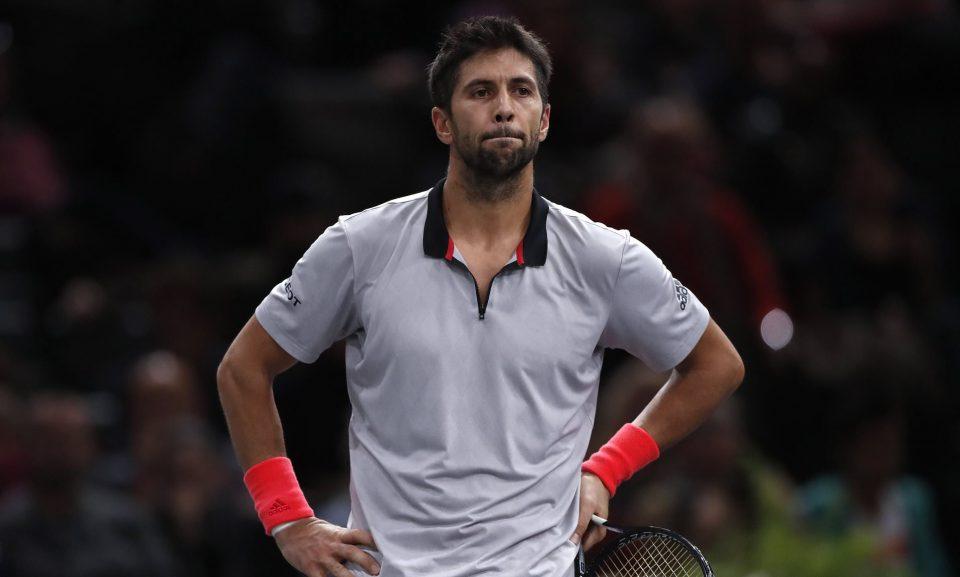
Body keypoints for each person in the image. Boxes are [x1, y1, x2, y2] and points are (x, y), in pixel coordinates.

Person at [216, 16, 744, 577]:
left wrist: (606, 469)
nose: (504, 108)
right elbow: (243, 369)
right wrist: (287, 518)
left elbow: (716, 364)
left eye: (521, 91)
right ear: (442, 123)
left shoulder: (604, 258)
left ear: (544, 120)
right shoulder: (359, 246)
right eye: (481, 92)